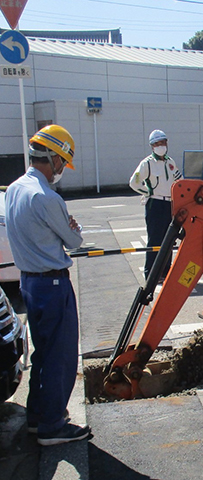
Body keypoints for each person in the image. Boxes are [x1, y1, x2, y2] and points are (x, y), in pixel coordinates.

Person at [5, 125, 91, 446]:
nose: (61, 171)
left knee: (42, 354)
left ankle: (37, 415)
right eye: (62, 163)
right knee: (61, 356)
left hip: (28, 283)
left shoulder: (14, 189)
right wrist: (74, 226)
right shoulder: (46, 197)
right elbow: (74, 239)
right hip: (53, 284)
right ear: (53, 158)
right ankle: (53, 425)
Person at [129, 129, 183, 281]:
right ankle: (150, 273)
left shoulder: (171, 162)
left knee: (170, 238)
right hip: (155, 203)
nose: (161, 146)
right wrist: (147, 192)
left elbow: (179, 180)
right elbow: (134, 182)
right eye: (158, 143)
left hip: (170, 204)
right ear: (152, 146)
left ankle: (165, 272)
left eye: (163, 142)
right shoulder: (147, 163)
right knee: (154, 240)